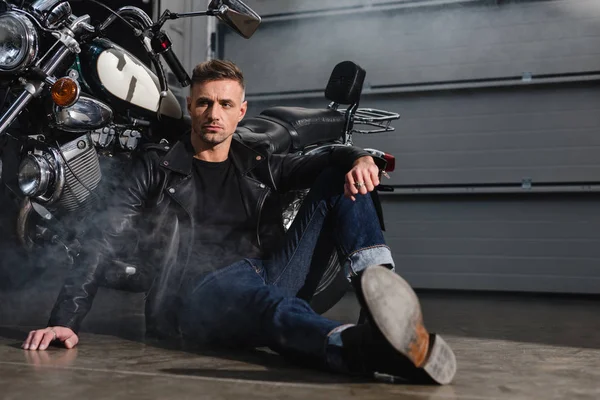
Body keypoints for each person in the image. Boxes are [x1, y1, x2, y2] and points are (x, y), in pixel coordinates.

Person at [22, 60, 456, 384]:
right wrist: (66, 318)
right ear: (191, 107)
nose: (214, 112)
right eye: (205, 103)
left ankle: (378, 306)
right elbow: (100, 239)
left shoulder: (259, 162)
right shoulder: (155, 167)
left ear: (241, 111)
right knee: (273, 308)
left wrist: (358, 157)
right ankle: (366, 348)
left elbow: (325, 157)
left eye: (225, 104)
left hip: (264, 273)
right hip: (197, 294)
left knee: (343, 178)